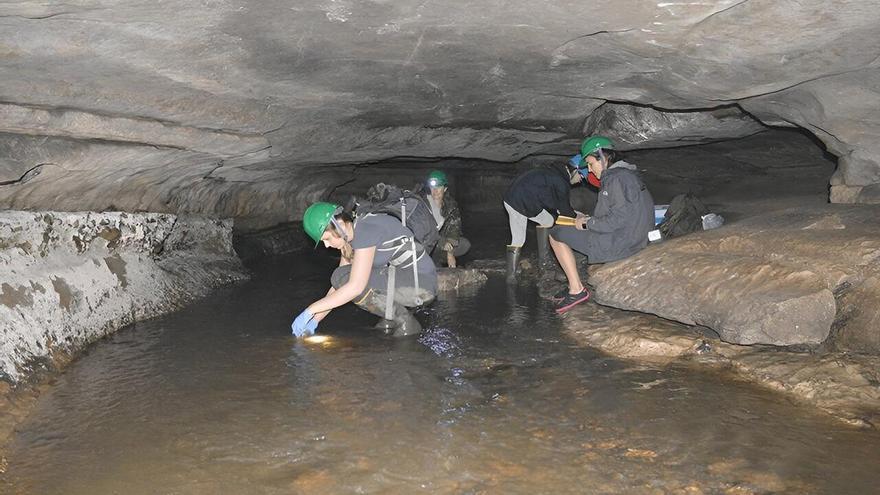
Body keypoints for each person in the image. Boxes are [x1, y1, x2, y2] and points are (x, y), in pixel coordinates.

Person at [291, 202, 437, 338]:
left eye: (327, 239)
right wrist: (315, 320)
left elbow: (355, 287)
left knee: (348, 279)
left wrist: (310, 310)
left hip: (422, 284)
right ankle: (391, 317)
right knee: (341, 276)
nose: (327, 246)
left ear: (340, 224)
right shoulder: (350, 238)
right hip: (406, 278)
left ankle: (406, 323)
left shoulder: (365, 231)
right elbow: (338, 284)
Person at [549, 136, 654, 313]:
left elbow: (617, 219)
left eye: (591, 164)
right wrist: (591, 219)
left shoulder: (613, 178)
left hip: (622, 243)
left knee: (556, 233)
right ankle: (573, 283)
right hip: (637, 238)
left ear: (603, 157)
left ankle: (576, 291)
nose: (590, 170)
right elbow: (623, 213)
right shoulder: (628, 175)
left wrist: (586, 224)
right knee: (571, 231)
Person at [501, 157, 584, 283]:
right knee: (519, 238)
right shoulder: (560, 181)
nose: (580, 181)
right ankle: (511, 277)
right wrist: (578, 218)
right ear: (575, 171)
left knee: (548, 221)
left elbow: (552, 202)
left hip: (512, 197)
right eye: (581, 176)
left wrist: (570, 213)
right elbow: (565, 212)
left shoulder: (553, 172)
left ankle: (543, 262)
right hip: (519, 203)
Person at [424, 170, 470, 268]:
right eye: (432, 187)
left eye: (439, 187)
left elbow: (455, 229)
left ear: (445, 189)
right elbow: (423, 232)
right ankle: (430, 260)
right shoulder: (423, 204)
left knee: (464, 244)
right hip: (425, 243)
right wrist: (442, 243)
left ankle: (440, 258)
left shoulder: (451, 206)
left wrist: (450, 253)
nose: (435, 191)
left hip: (441, 244)